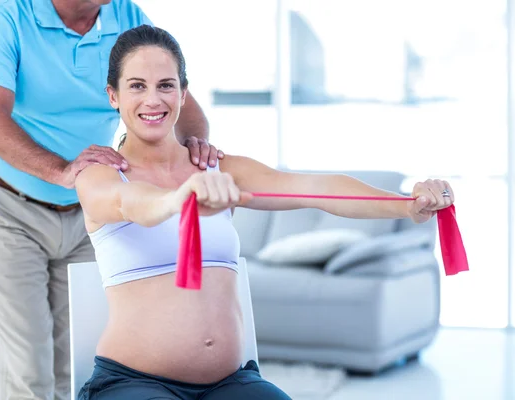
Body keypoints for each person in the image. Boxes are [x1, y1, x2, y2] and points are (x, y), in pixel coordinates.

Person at [74, 25, 455, 400]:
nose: (153, 100)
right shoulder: (101, 176)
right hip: (132, 384)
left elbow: (314, 188)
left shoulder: (218, 169)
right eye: (137, 86)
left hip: (229, 384)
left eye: (166, 85)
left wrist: (408, 206)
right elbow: (132, 203)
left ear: (183, 93)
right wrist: (180, 199)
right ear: (114, 96)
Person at [0, 1, 222, 399]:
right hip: (6, 205)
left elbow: (183, 104)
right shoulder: (5, 16)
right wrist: (62, 171)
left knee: (79, 361)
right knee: (26, 371)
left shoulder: (126, 17)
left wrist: (194, 146)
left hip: (88, 209)